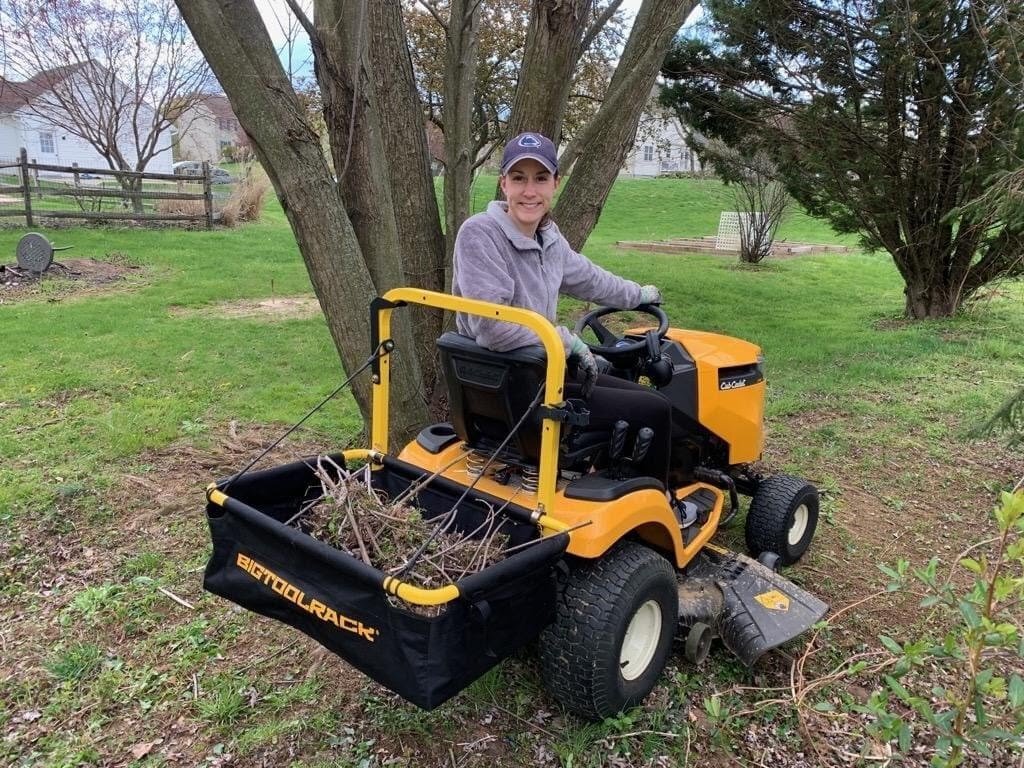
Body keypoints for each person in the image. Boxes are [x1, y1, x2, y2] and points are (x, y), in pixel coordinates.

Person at [451, 131, 671, 482]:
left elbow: (591, 279)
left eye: (540, 179)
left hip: (542, 375)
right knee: (656, 409)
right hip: (515, 388)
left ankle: (603, 470)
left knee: (618, 380)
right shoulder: (480, 234)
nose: (529, 191)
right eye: (519, 178)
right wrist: (567, 342)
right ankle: (662, 506)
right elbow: (492, 328)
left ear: (555, 183)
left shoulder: (548, 240)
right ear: (504, 184)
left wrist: (637, 295)